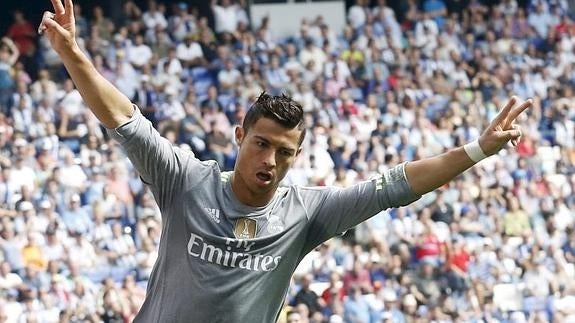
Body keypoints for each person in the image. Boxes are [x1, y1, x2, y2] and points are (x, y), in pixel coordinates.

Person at [38, 0, 532, 322]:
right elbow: (125, 119)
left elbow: (397, 185)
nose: (270, 158)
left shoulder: (306, 213)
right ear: (240, 137)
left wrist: (478, 150)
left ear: (296, 157)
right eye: (261, 143)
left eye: (284, 151)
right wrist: (73, 55)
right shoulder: (184, 182)